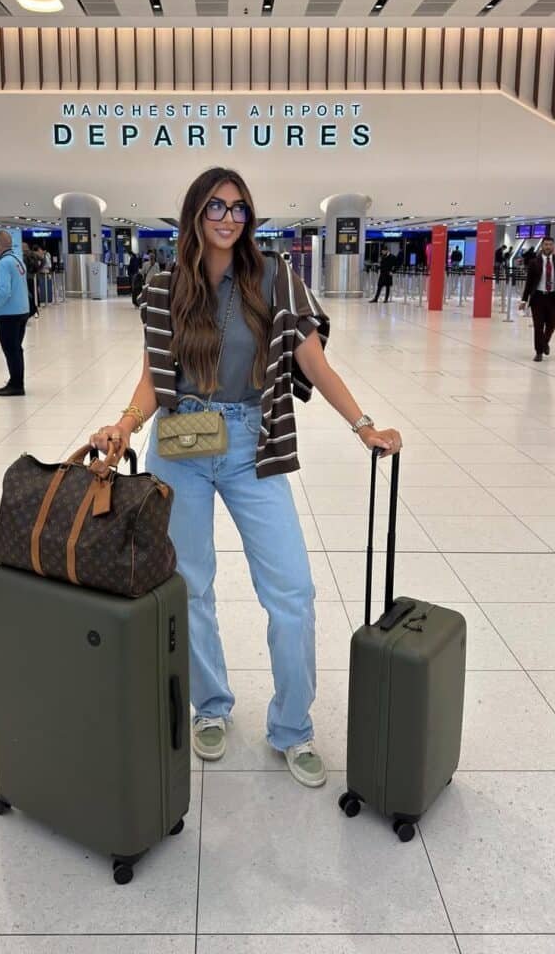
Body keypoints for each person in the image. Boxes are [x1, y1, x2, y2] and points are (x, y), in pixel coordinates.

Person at [90, 167, 402, 789]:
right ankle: (210, 705)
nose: (228, 218)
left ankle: (292, 726)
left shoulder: (274, 276)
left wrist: (363, 424)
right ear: (195, 214)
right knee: (189, 586)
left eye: (238, 208)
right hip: (179, 441)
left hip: (250, 442)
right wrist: (124, 424)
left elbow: (314, 360)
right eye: (216, 206)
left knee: (292, 591)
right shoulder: (164, 286)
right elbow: (155, 377)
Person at [0, 230, 29, 396]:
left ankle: (17, 385)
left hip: (9, 313)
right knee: (16, 349)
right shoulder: (18, 260)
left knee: (11, 350)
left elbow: (4, 290)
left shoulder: (4, 263)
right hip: (22, 310)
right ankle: (15, 381)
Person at [519, 235, 555, 362]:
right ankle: (539, 352)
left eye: (550, 244)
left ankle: (544, 342)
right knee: (538, 326)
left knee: (552, 324)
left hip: (553, 297)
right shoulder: (534, 262)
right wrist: (524, 300)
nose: (548, 247)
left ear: (553, 246)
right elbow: (529, 283)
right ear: (542, 246)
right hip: (538, 298)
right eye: (546, 244)